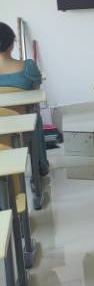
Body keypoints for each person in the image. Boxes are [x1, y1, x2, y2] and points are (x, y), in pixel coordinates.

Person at [0, 21, 48, 176]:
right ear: (11, 44)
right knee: (35, 116)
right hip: (24, 125)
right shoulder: (29, 67)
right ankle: (40, 167)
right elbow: (35, 94)